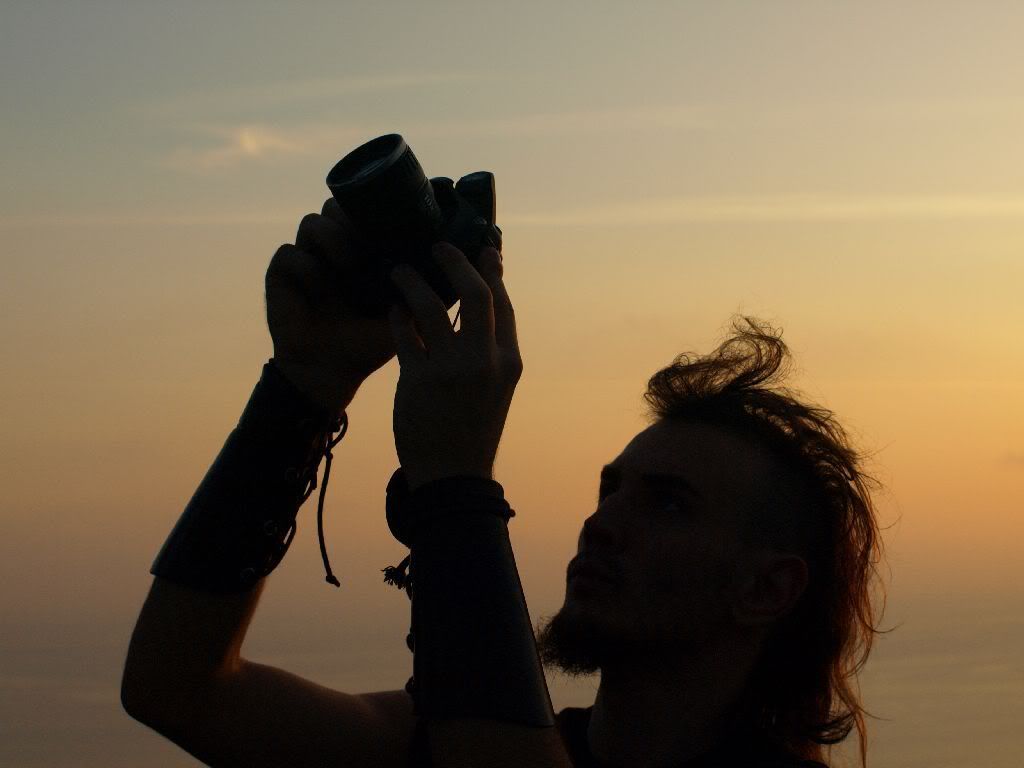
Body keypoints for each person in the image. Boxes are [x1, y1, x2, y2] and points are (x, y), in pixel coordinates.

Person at [121, 199, 886, 767]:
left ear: (766, 589)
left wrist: (456, 489)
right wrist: (302, 393)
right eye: (610, 491)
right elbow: (177, 688)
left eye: (668, 504)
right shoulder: (437, 745)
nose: (601, 524)